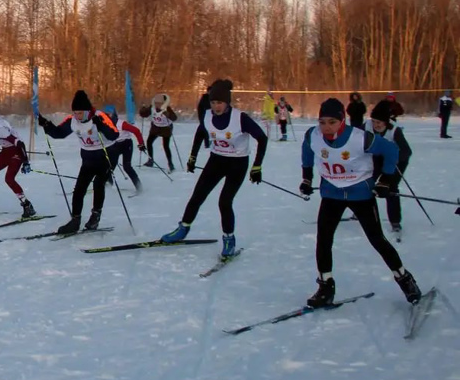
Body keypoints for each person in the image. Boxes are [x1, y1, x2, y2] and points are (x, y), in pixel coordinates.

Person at [298, 98, 422, 308]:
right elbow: (307, 152)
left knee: (377, 239)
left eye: (331, 122)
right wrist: (306, 178)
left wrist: (385, 180)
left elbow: (392, 151)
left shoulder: (360, 138)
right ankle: (325, 287)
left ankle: (405, 279)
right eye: (322, 122)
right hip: (332, 194)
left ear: (342, 120)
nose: (326, 127)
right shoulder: (313, 135)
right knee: (324, 239)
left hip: (360, 194)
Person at [160, 79, 268, 258]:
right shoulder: (208, 115)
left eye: (220, 102)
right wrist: (193, 156)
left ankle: (229, 238)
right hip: (216, 160)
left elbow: (262, 138)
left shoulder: (240, 118)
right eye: (213, 102)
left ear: (227, 102)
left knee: (224, 202)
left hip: (237, 163)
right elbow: (201, 132)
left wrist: (257, 166)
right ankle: (183, 228)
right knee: (197, 196)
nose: (216, 106)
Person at [37, 90, 119, 234]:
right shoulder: (72, 120)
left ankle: (95, 216)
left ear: (88, 112)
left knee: (98, 184)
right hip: (88, 158)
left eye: (80, 113)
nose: (77, 116)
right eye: (75, 112)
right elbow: (59, 133)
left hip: (107, 155)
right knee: (79, 188)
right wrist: (47, 125)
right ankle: (75, 220)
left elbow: (114, 135)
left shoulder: (100, 116)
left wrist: (101, 126)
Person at [365, 100, 412, 233]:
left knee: (390, 188)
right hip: (376, 158)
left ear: (386, 122)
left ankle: (395, 221)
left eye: (379, 122)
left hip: (396, 162)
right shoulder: (367, 126)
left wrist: (393, 159)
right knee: (367, 183)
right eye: (373, 121)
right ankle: (361, 211)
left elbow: (406, 152)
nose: (375, 125)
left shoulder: (394, 131)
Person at [104, 105, 146, 193]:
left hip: (126, 144)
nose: (108, 116)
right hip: (115, 145)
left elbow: (136, 131)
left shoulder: (121, 123)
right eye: (106, 115)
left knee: (127, 167)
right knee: (108, 166)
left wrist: (141, 144)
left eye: (110, 114)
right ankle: (108, 183)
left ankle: (139, 187)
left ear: (114, 114)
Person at [139, 93, 178, 172]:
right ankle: (150, 160)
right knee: (149, 142)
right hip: (156, 127)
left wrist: (168, 114)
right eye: (156, 103)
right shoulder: (152, 108)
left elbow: (174, 118)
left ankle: (170, 164)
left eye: (159, 103)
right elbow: (145, 114)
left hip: (166, 128)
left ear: (163, 103)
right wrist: (142, 111)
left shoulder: (166, 108)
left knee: (166, 146)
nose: (157, 104)